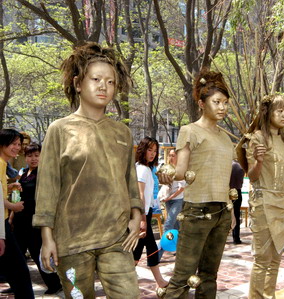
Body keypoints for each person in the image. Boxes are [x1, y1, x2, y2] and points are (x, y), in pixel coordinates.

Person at [33, 42, 143, 298]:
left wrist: (136, 215)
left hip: (116, 237)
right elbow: (48, 187)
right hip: (72, 241)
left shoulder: (122, 133)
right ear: (78, 83)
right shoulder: (59, 130)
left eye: (111, 82)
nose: (103, 86)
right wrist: (47, 238)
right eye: (95, 79)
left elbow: (129, 179)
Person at [158, 69, 234, 298]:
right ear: (202, 103)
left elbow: (224, 176)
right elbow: (180, 171)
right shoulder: (189, 131)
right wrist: (166, 173)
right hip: (197, 210)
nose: (222, 107)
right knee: (183, 276)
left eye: (225, 103)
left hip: (222, 211)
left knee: (210, 275)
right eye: (216, 102)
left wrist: (232, 214)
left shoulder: (225, 137)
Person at [245, 95, 284, 299]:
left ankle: (269, 295)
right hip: (264, 202)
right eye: (279, 110)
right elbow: (252, 175)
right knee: (262, 258)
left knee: (276, 258)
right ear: (268, 113)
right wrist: (258, 161)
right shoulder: (257, 138)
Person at [12, 143, 62, 294]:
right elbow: (17, 196)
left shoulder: (44, 173)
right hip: (20, 218)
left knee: (37, 252)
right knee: (16, 254)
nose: (33, 159)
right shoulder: (23, 172)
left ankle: (54, 283)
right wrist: (12, 215)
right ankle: (16, 285)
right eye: (29, 155)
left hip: (35, 220)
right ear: (25, 157)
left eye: (36, 155)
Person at [0, 129, 34, 298]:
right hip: (2, 224)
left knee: (17, 270)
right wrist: (12, 208)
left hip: (5, 223)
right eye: (13, 143)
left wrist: (9, 189)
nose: (17, 147)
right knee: (19, 271)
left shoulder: (4, 164)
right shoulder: (0, 163)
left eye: (19, 144)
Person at [132, 137, 168, 288]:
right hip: (141, 214)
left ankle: (160, 281)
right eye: (149, 150)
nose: (152, 154)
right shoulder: (141, 169)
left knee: (147, 248)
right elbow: (140, 195)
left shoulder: (146, 168)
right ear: (143, 150)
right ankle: (122, 281)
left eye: (155, 151)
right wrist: (142, 219)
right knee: (139, 250)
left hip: (145, 212)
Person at [162, 149, 185, 233]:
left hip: (177, 200)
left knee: (169, 223)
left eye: (173, 155)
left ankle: (164, 244)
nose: (171, 157)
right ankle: (177, 244)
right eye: (170, 155)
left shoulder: (180, 170)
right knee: (175, 225)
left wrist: (170, 197)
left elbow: (181, 188)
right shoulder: (167, 168)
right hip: (168, 200)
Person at [230, 159, 245, 245]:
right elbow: (241, 182)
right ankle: (236, 238)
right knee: (236, 214)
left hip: (227, 190)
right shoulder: (241, 166)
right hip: (237, 191)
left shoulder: (228, 164)